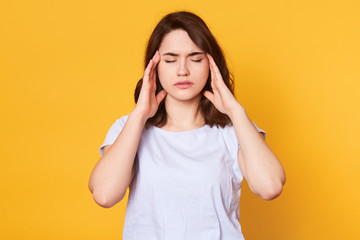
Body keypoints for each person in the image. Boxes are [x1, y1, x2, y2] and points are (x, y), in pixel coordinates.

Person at [89, 11, 286, 240]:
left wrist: (235, 111)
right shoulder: (129, 127)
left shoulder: (235, 130)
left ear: (212, 64)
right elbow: (104, 195)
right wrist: (140, 114)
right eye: (170, 60)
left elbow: (270, 187)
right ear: (153, 67)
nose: (182, 70)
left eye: (195, 58)